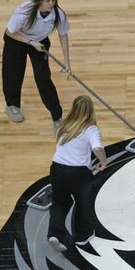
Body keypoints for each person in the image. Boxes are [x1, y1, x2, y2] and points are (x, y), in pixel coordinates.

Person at [2, 0, 72, 133]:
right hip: (16, 41)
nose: (51, 4)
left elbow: (63, 35)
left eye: (54, 0)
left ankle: (57, 118)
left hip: (39, 43)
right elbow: (10, 32)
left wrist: (66, 62)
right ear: (39, 0)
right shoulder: (24, 11)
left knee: (43, 79)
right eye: (48, 1)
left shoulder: (58, 14)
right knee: (13, 74)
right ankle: (12, 105)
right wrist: (31, 42)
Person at [47, 95, 107, 253]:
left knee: (59, 203)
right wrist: (103, 161)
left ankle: (54, 234)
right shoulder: (91, 129)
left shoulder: (63, 126)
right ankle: (82, 236)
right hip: (77, 174)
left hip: (57, 169)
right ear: (90, 111)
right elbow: (97, 149)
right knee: (82, 203)